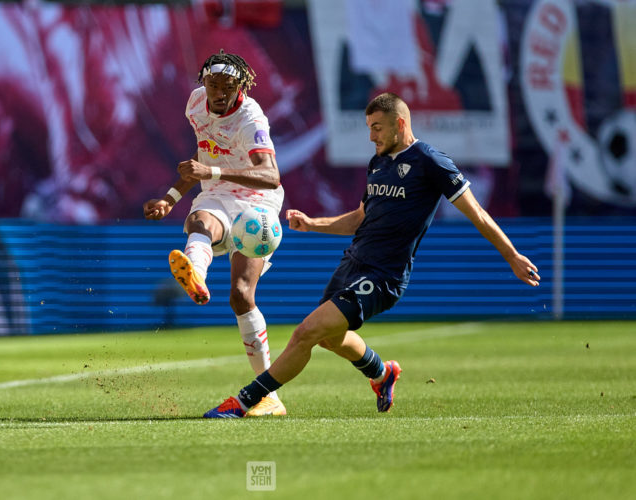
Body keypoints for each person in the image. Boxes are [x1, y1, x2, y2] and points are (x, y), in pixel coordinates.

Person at [204, 92, 540, 418]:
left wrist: (511, 256)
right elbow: (360, 218)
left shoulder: (430, 161)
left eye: (377, 127)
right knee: (330, 340)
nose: (371, 136)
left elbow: (477, 213)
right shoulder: (378, 163)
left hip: (383, 276)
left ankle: (246, 401)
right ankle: (383, 374)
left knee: (306, 332)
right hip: (352, 263)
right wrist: (312, 224)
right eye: (368, 127)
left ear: (400, 123)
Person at [143, 50, 287, 417]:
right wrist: (171, 198)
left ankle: (268, 397)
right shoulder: (195, 104)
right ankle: (196, 275)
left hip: (258, 202)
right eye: (213, 84)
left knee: (241, 296)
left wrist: (213, 174)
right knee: (199, 222)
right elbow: (203, 157)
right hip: (218, 193)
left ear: (241, 85)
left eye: (227, 86)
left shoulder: (250, 118)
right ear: (203, 82)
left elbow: (271, 176)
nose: (219, 93)